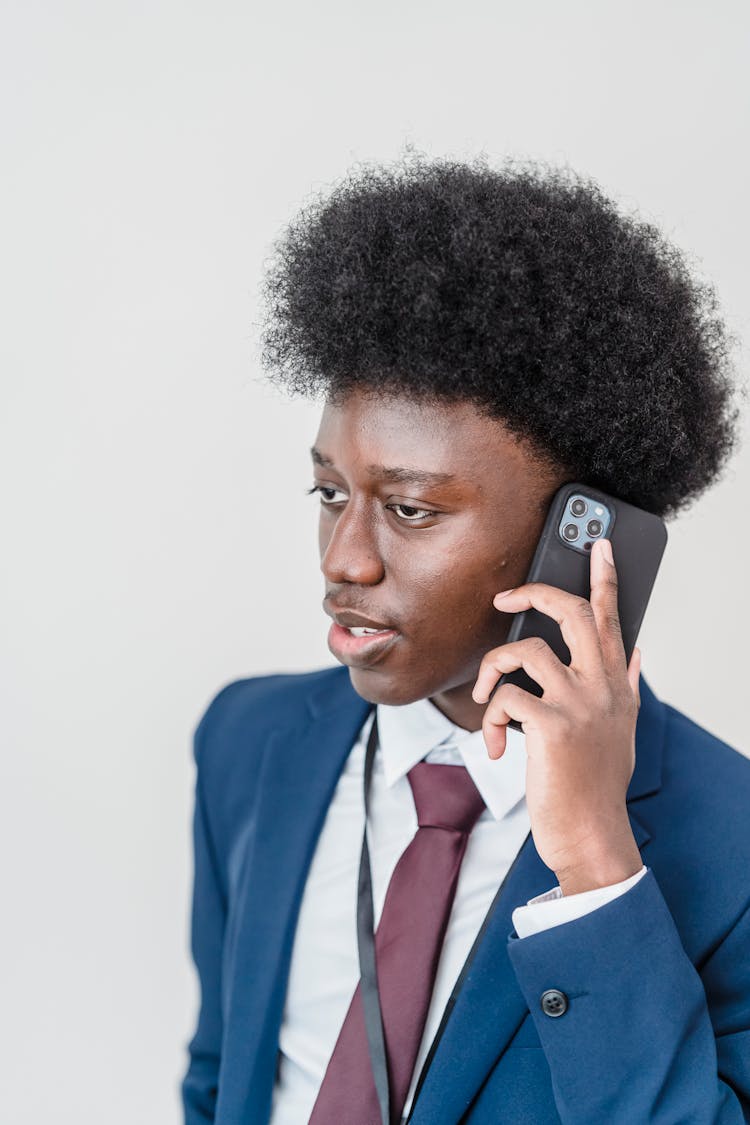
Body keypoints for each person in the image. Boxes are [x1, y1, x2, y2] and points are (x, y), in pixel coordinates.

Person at [181, 153, 750, 1124]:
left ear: (583, 535)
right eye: (329, 493)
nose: (345, 560)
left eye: (408, 509)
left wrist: (597, 864)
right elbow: (223, 1075)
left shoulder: (728, 842)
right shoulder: (245, 742)